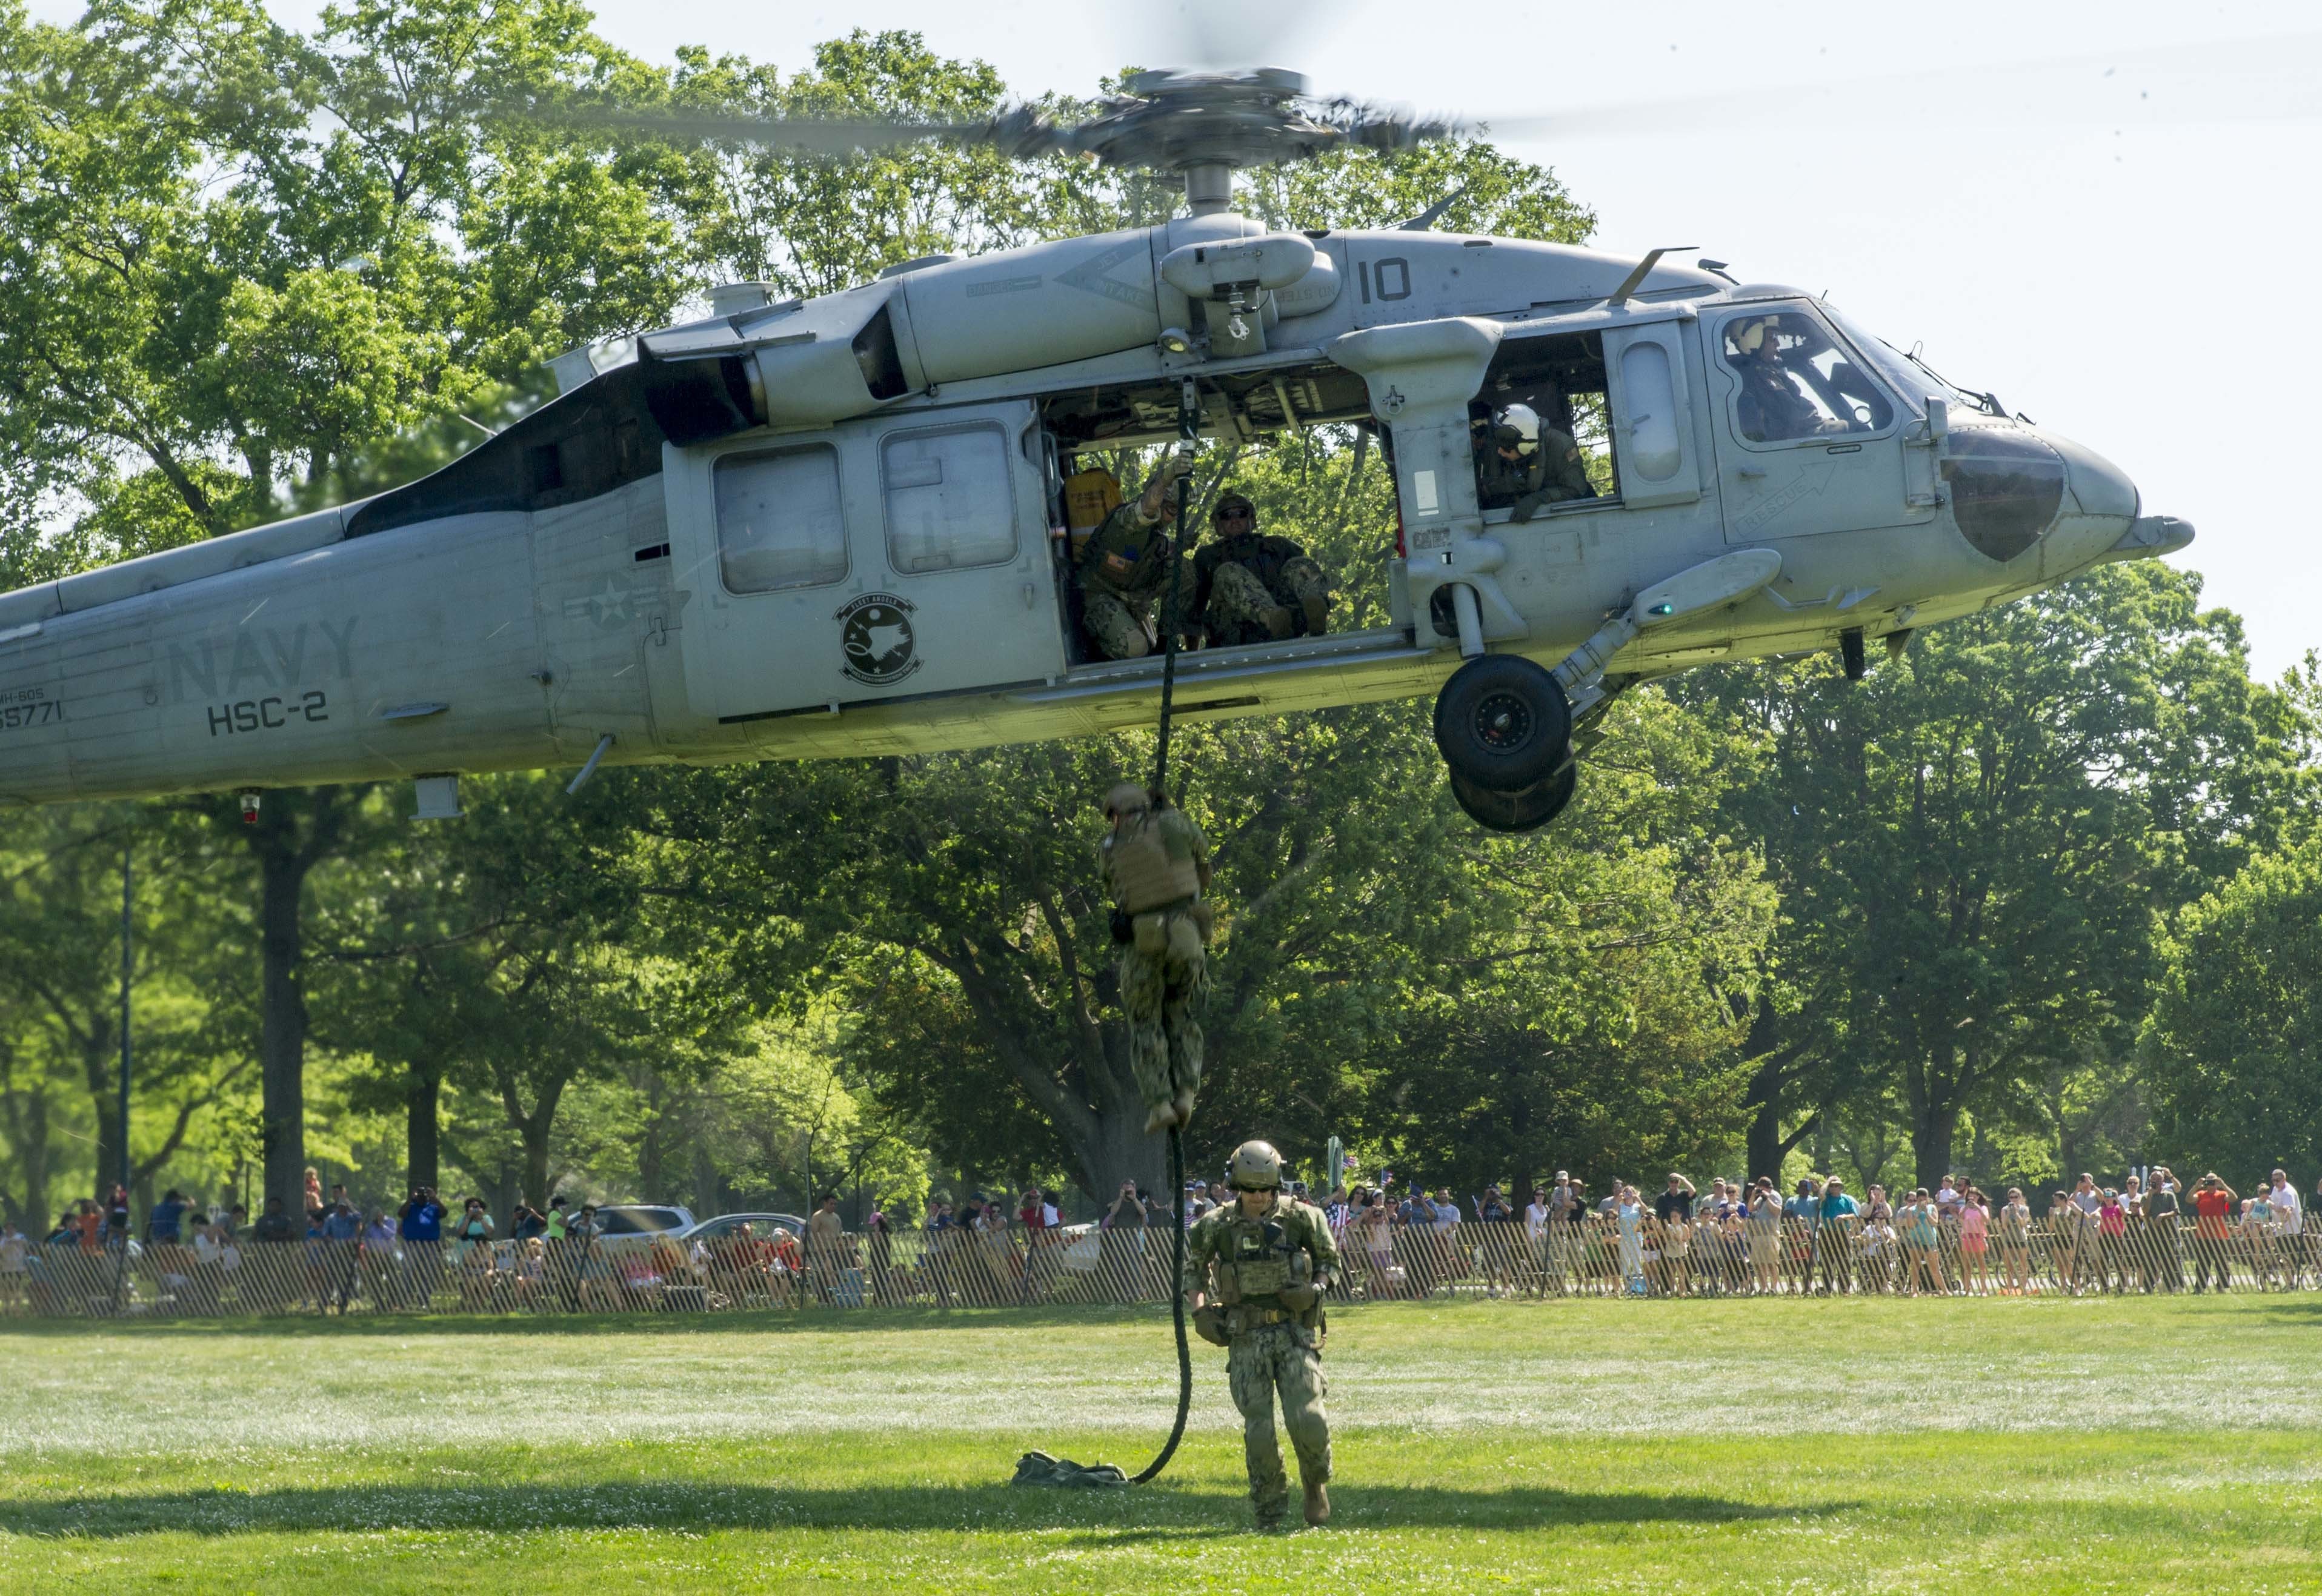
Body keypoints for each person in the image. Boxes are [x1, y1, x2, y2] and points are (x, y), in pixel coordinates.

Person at [1185, 1140, 1339, 1531]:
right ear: (1235, 1186)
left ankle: (1314, 1483)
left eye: (1266, 1189)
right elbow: (1193, 1272)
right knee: (1259, 1431)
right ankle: (1269, 1509)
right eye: (1249, 1190)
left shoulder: (1304, 1218)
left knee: (1309, 1420)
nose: (1258, 1197)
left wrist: (1315, 1291)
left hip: (1293, 1331)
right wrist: (1200, 1311)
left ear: (1277, 1185)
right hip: (1247, 1335)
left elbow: (1328, 1261)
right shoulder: (1213, 1225)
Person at [1099, 781, 1214, 1133]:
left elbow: (1113, 887)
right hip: (1187, 937)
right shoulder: (1176, 825)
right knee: (1182, 1015)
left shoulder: (1108, 848)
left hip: (1144, 942)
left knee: (1146, 1023)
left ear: (1115, 815)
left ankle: (1159, 1103)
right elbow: (1202, 867)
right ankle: (1186, 1094)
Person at [1074, 452, 1194, 660]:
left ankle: (1166, 643)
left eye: (1178, 511)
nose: (1172, 517)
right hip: (1099, 597)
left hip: (1132, 600)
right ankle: (1101, 653)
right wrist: (1165, 480)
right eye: (1172, 508)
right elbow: (1148, 507)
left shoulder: (1157, 536)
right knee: (1136, 647)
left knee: (1184, 569)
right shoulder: (1129, 517)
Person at [1188, 493, 1331, 649]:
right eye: (1227, 516)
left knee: (1299, 565)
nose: (1235, 520)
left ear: (1252, 519)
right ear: (1218, 525)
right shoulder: (1208, 557)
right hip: (1236, 630)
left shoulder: (1279, 546)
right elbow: (1194, 609)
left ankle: (1316, 618)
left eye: (1241, 514)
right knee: (1227, 571)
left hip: (1287, 622)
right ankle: (1271, 618)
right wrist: (1192, 654)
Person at [1472, 402, 1592, 520]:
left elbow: (1576, 489)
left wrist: (1539, 499)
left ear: (1524, 448)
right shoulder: (1498, 442)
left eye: (1506, 450)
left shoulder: (1561, 447)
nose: (1500, 452)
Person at [2192, 1174, 2237, 1293]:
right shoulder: (2201, 1194)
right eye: (2209, 1181)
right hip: (2203, 1234)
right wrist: (2196, 1186)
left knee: (2222, 1262)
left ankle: (2222, 1287)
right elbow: (2189, 1199)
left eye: (2213, 1181)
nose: (2211, 1184)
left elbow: (2233, 1198)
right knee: (2202, 1262)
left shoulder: (2222, 1194)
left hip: (2220, 1234)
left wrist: (2223, 1185)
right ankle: (2200, 1287)